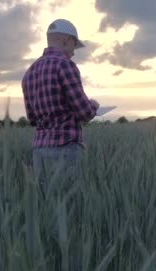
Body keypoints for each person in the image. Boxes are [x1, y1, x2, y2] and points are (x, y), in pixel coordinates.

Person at [22, 19, 99, 195]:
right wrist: (93, 106)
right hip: (65, 149)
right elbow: (85, 112)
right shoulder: (65, 65)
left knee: (47, 208)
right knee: (69, 208)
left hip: (39, 152)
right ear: (66, 40)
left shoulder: (29, 73)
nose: (73, 52)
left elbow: (32, 119)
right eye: (74, 44)